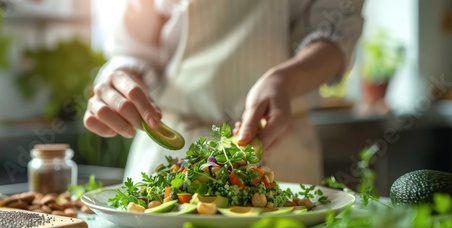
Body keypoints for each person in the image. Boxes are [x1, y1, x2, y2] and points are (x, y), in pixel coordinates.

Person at [84, 0, 365, 184]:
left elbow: (335, 31)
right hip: (172, 158)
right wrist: (119, 82)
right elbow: (135, 48)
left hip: (280, 154)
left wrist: (285, 80)